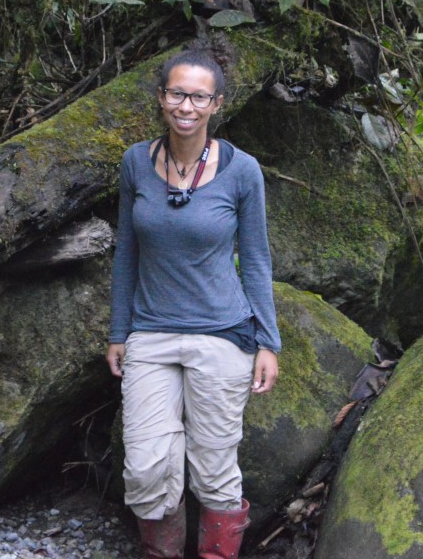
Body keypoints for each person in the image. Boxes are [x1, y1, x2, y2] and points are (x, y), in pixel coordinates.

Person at [106, 38, 281, 559]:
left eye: (199, 98)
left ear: (217, 105)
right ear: (161, 98)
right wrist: (119, 332)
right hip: (151, 333)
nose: (187, 107)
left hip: (223, 335)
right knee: (144, 468)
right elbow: (125, 254)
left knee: (213, 468)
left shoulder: (242, 170)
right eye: (177, 94)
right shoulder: (136, 163)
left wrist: (268, 342)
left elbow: (255, 260)